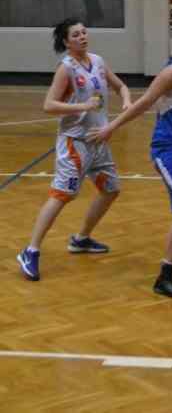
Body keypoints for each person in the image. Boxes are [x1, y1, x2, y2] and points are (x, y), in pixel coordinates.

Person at [87, 21, 172, 300]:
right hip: (169, 150)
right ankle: (165, 275)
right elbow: (144, 103)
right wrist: (111, 127)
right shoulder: (171, 73)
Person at [17, 18, 132, 281]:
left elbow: (120, 86)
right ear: (66, 42)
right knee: (62, 195)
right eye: (76, 34)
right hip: (75, 143)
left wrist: (126, 101)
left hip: (99, 140)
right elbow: (48, 105)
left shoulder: (98, 61)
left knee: (111, 190)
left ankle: (81, 239)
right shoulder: (66, 68)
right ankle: (30, 251)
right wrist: (83, 106)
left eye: (84, 32)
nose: (82, 37)